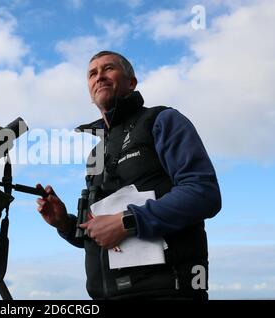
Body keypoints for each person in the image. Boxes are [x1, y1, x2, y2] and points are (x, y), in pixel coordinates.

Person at [36, 50, 221, 300]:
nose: (99, 76)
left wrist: (127, 222)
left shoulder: (163, 120)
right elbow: (102, 235)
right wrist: (65, 225)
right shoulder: (95, 154)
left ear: (131, 82)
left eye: (108, 68)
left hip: (168, 292)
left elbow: (204, 194)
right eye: (92, 73)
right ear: (90, 93)